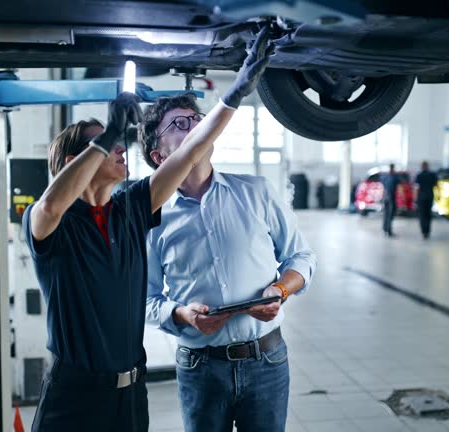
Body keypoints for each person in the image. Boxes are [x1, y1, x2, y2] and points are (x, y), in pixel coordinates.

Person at [23, 26, 275, 432]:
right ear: (75, 159)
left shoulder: (130, 209)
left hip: (129, 394)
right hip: (74, 398)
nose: (119, 147)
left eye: (116, 141)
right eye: (103, 146)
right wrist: (105, 136)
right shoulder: (53, 224)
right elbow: (51, 203)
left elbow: (189, 151)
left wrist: (237, 93)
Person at [139, 57, 316, 432]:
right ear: (159, 156)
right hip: (201, 368)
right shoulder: (150, 218)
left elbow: (301, 257)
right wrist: (182, 315)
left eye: (197, 120)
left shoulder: (256, 192)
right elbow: (146, 298)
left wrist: (280, 290)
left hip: (266, 359)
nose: (196, 127)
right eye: (180, 124)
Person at [414, 161, 438, 239]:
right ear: (427, 166)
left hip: (421, 198)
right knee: (428, 214)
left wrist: (415, 198)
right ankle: (427, 231)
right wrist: (438, 197)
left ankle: (424, 231)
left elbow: (417, 188)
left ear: (422, 166)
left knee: (422, 215)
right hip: (430, 197)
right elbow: (436, 186)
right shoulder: (432, 175)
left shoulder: (419, 175)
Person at [382, 163, 399, 237]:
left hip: (386, 198)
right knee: (390, 214)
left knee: (386, 214)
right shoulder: (394, 177)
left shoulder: (385, 177)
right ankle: (389, 230)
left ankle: (385, 228)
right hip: (391, 198)